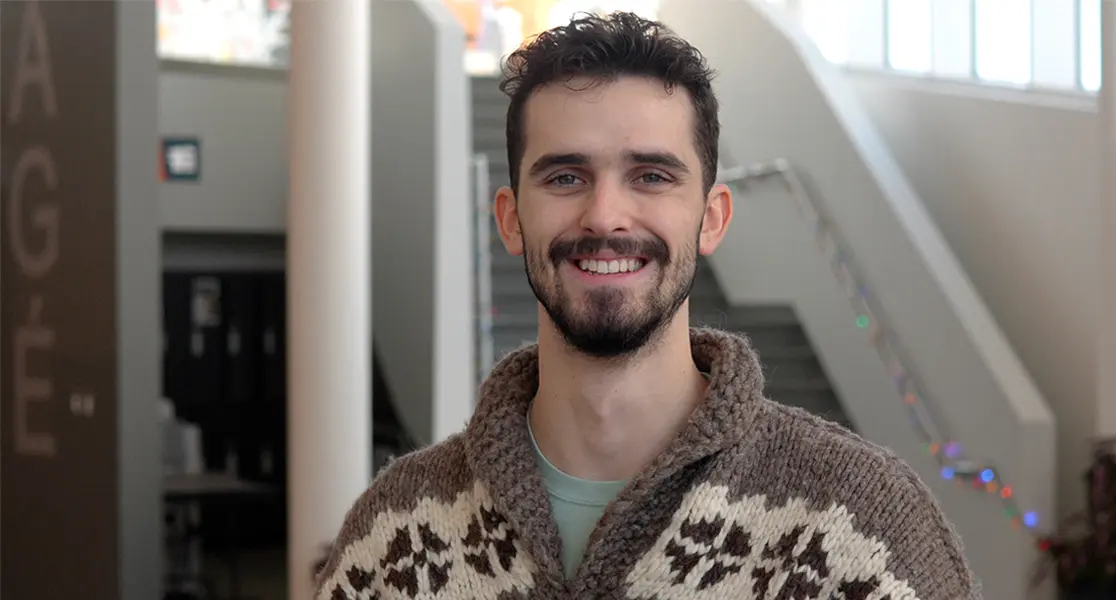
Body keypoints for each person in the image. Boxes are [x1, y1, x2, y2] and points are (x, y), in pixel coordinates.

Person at [315, 11, 981, 600]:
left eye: (652, 176)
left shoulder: (861, 532)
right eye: (566, 176)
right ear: (511, 219)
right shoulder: (395, 538)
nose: (605, 215)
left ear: (712, 218)